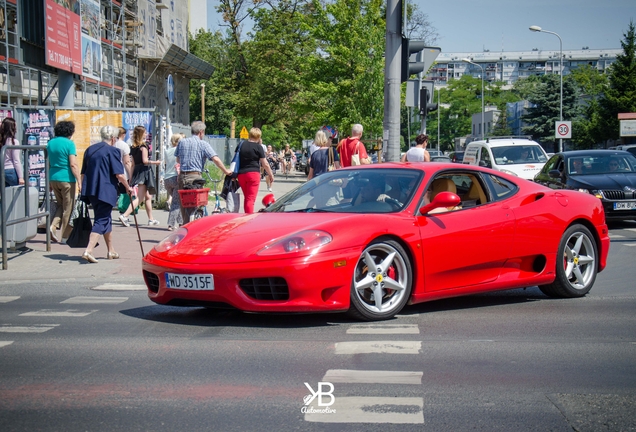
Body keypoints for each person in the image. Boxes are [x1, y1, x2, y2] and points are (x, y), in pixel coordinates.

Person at [80, 126, 133, 263]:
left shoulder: (90, 150)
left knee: (104, 218)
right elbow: (119, 174)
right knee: (102, 219)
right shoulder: (113, 151)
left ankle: (111, 250)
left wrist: (81, 187)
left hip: (92, 190)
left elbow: (83, 173)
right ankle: (89, 250)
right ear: (114, 138)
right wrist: (128, 187)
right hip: (106, 190)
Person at [175, 121, 232, 223]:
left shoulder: (182, 142)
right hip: (195, 177)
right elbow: (216, 159)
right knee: (195, 203)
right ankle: (194, 226)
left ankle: (185, 224)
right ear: (201, 132)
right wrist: (226, 171)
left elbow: (178, 160)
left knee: (184, 204)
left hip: (182, 176)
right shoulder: (203, 144)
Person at [119, 126, 161, 227]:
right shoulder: (144, 146)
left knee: (148, 197)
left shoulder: (133, 147)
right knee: (140, 198)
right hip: (144, 172)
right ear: (141, 134)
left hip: (138, 172)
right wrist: (156, 162)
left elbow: (132, 164)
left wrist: (131, 177)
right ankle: (125, 215)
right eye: (145, 133)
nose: (146, 134)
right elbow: (145, 161)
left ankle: (151, 219)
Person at [47, 120, 81, 243]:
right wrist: (79, 181)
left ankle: (53, 226)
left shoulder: (50, 143)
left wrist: (49, 182)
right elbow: (73, 164)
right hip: (67, 179)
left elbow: (49, 162)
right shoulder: (69, 144)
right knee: (69, 208)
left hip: (53, 177)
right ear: (70, 131)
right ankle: (66, 236)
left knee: (61, 204)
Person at [236, 127, 275, 214]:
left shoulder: (241, 145)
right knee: (250, 199)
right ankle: (249, 219)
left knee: (247, 197)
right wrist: (271, 174)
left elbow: (235, 158)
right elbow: (265, 164)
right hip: (253, 174)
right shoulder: (258, 147)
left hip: (241, 174)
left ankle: (246, 216)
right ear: (258, 137)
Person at [164, 133, 184, 231]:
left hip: (167, 178)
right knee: (176, 202)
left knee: (178, 200)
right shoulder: (179, 151)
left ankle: (181, 222)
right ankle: (171, 224)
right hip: (176, 177)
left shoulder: (167, 151)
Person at [1, 117, 24, 187]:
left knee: (4, 195)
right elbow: (16, 160)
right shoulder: (14, 142)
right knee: (15, 194)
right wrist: (21, 177)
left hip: (2, 170)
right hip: (11, 170)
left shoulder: (1, 141)